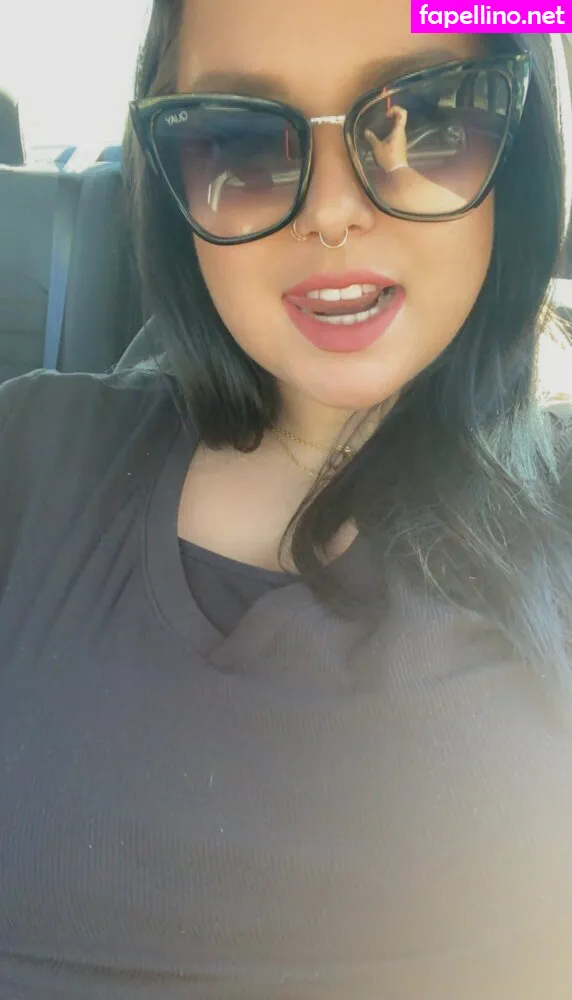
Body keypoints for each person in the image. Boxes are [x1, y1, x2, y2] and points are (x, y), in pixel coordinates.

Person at [1, 2, 572, 998]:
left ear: (518, 147)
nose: (333, 211)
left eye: (428, 121)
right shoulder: (28, 458)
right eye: (238, 141)